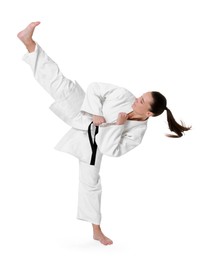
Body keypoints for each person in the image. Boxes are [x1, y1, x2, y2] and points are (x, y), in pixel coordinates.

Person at [17, 22, 191, 246]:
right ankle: (29, 43)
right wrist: (95, 113)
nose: (136, 98)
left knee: (90, 183)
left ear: (148, 112)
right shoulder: (123, 95)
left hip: (94, 145)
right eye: (140, 95)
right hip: (85, 114)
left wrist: (118, 126)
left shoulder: (136, 134)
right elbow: (95, 87)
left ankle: (96, 231)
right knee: (63, 86)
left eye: (141, 100)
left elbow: (111, 150)